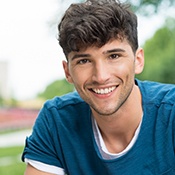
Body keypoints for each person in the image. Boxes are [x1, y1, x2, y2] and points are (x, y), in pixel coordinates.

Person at [22, 0, 175, 174]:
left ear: (138, 60)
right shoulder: (56, 121)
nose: (101, 76)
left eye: (114, 56)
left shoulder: (170, 113)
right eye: (84, 61)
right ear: (68, 71)